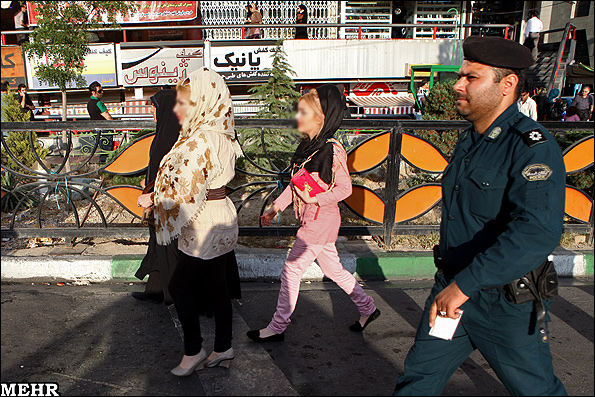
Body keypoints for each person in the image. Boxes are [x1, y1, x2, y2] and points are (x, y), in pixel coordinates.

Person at [393, 36, 567, 396]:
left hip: (503, 304)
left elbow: (535, 233)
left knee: (536, 390)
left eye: (471, 78)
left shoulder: (532, 147)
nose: (458, 84)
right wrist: (455, 286)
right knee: (417, 380)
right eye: (462, 75)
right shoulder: (470, 140)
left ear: (507, 85)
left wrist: (465, 286)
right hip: (451, 293)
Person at [247, 85, 380, 343]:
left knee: (291, 270)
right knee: (334, 269)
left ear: (321, 118)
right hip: (316, 219)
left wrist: (315, 198)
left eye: (303, 112)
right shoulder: (310, 148)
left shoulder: (332, 149)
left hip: (320, 220)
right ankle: (368, 308)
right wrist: (276, 207)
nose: (297, 117)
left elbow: (345, 188)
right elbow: (297, 184)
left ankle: (277, 326)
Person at [137, 68, 242, 376]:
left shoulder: (201, 140)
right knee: (217, 285)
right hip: (222, 212)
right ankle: (223, 346)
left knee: (180, 286)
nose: (179, 109)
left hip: (203, 221)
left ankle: (193, 352)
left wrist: (153, 198)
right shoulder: (224, 134)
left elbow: (185, 185)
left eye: (186, 102)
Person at [133, 89, 182, 306]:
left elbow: (175, 174)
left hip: (167, 199)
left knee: (167, 244)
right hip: (157, 195)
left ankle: (174, 293)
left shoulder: (173, 136)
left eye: (154, 106)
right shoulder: (163, 131)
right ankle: (155, 289)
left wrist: (154, 193)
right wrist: (148, 182)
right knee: (157, 241)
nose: (151, 111)